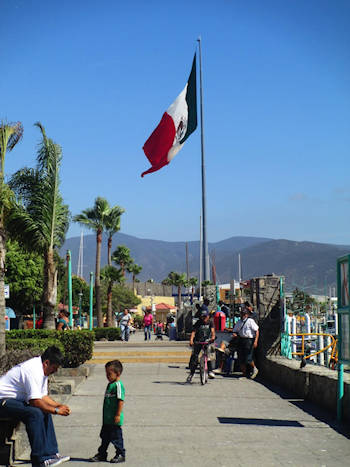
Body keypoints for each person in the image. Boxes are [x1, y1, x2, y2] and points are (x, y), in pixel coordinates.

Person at [0, 346, 71, 467]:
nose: (55, 371)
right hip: (3, 401)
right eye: (54, 368)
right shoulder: (32, 370)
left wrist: (58, 405)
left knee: (44, 410)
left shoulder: (42, 370)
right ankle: (40, 459)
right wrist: (56, 410)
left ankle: (51, 453)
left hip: (14, 401)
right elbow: (35, 402)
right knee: (35, 413)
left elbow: (42, 396)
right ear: (46, 363)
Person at [89, 360, 126, 464]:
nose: (107, 376)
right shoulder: (110, 384)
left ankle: (120, 454)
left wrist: (118, 415)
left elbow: (120, 401)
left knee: (116, 438)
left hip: (114, 419)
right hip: (107, 419)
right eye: (106, 374)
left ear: (117, 373)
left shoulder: (118, 385)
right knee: (104, 437)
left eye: (109, 374)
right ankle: (102, 454)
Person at [186, 310, 216, 383]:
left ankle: (210, 371)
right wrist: (191, 340)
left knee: (209, 355)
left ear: (208, 316)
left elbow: (212, 331)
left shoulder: (210, 322)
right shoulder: (198, 323)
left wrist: (213, 337)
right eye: (202, 317)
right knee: (194, 357)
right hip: (198, 341)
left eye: (205, 317)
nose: (204, 318)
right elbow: (193, 332)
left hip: (207, 341)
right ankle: (191, 373)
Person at [232, 306, 259, 379]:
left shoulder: (250, 321)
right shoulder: (239, 322)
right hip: (241, 340)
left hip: (249, 340)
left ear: (247, 315)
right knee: (241, 358)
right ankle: (244, 374)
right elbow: (235, 331)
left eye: (244, 314)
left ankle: (255, 369)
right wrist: (234, 334)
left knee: (248, 358)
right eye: (241, 314)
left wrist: (256, 341)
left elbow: (257, 331)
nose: (242, 315)